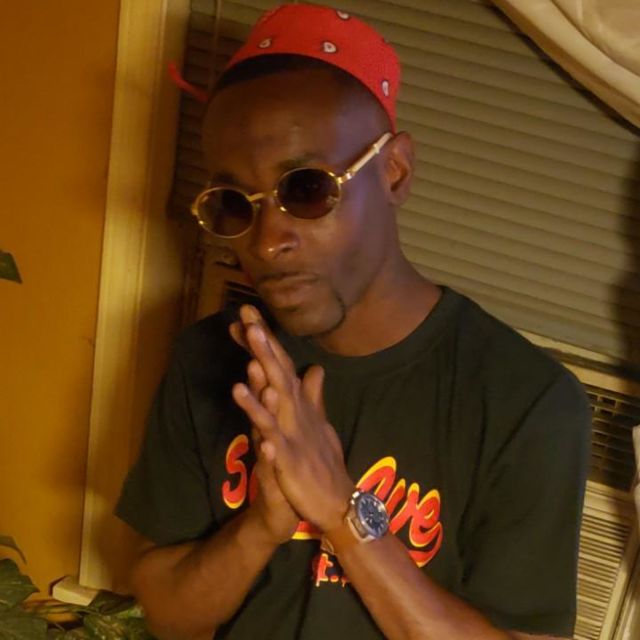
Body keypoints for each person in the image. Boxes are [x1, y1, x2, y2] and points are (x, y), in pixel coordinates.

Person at [116, 4, 592, 639]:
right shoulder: (208, 359)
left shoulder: (525, 402)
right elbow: (167, 615)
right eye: (234, 205)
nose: (268, 240)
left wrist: (341, 511)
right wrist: (261, 525)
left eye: (306, 189)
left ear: (394, 172)